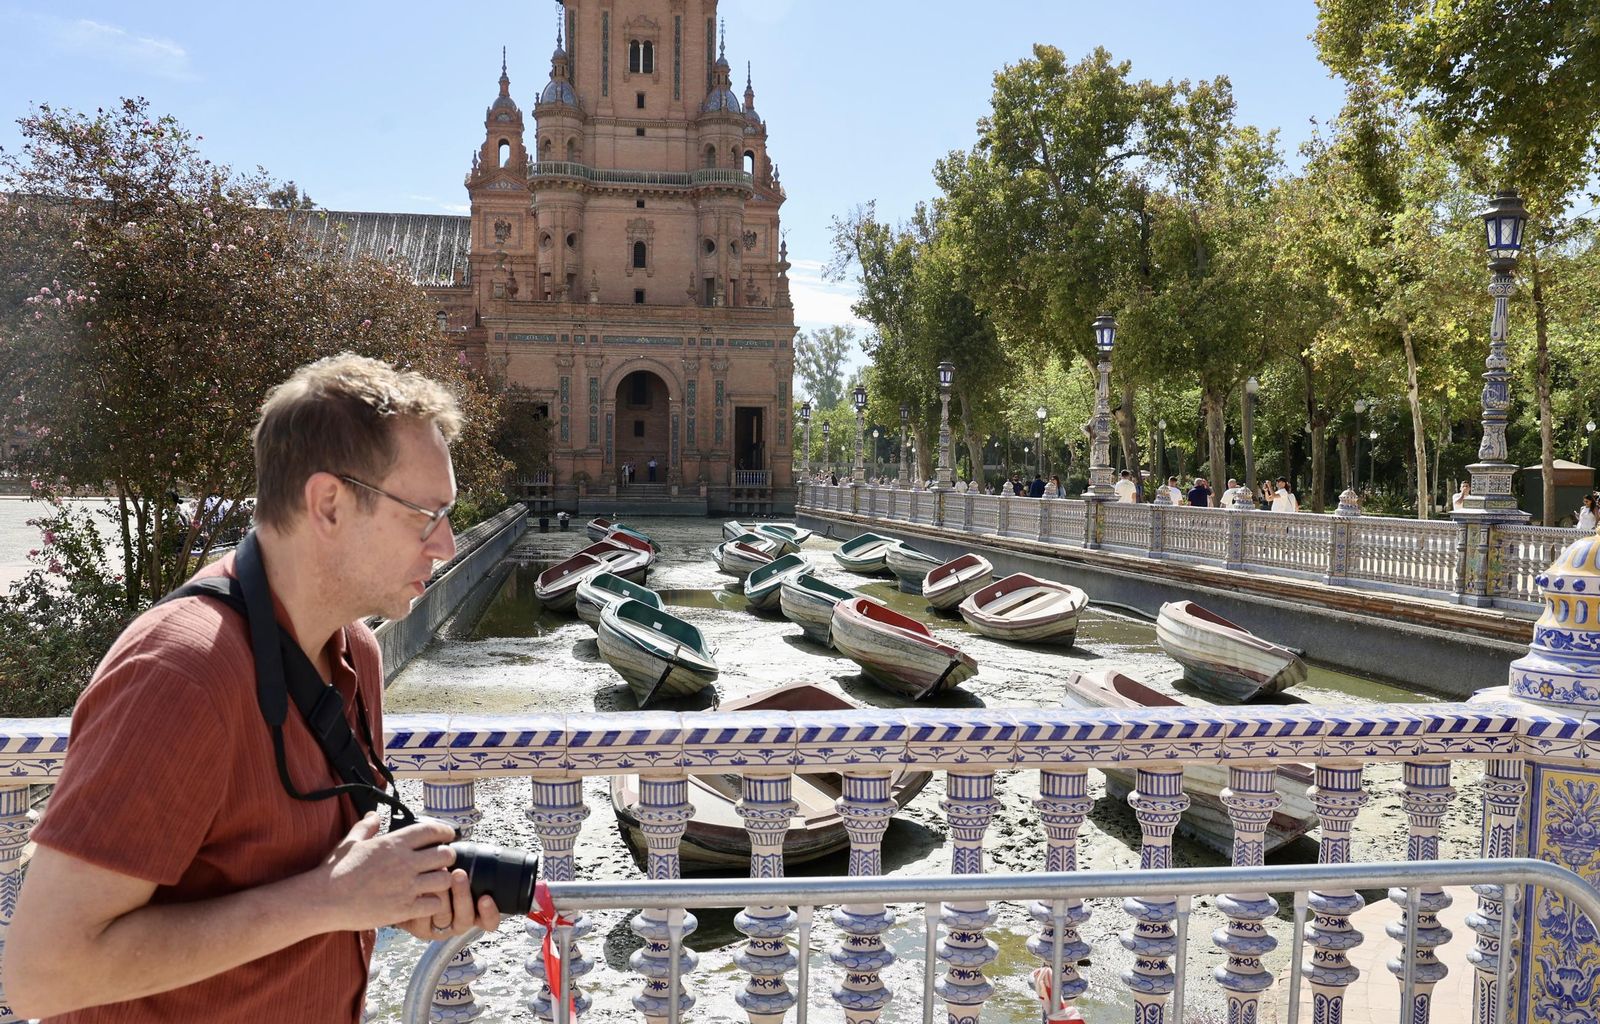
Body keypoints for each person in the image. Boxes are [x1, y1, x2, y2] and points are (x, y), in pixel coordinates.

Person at [4, 353, 501, 1021]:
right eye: (424, 514)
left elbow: (301, 899)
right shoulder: (180, 672)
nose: (444, 544)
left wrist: (384, 897)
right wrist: (330, 899)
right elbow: (44, 974)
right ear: (328, 503)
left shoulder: (355, 652)